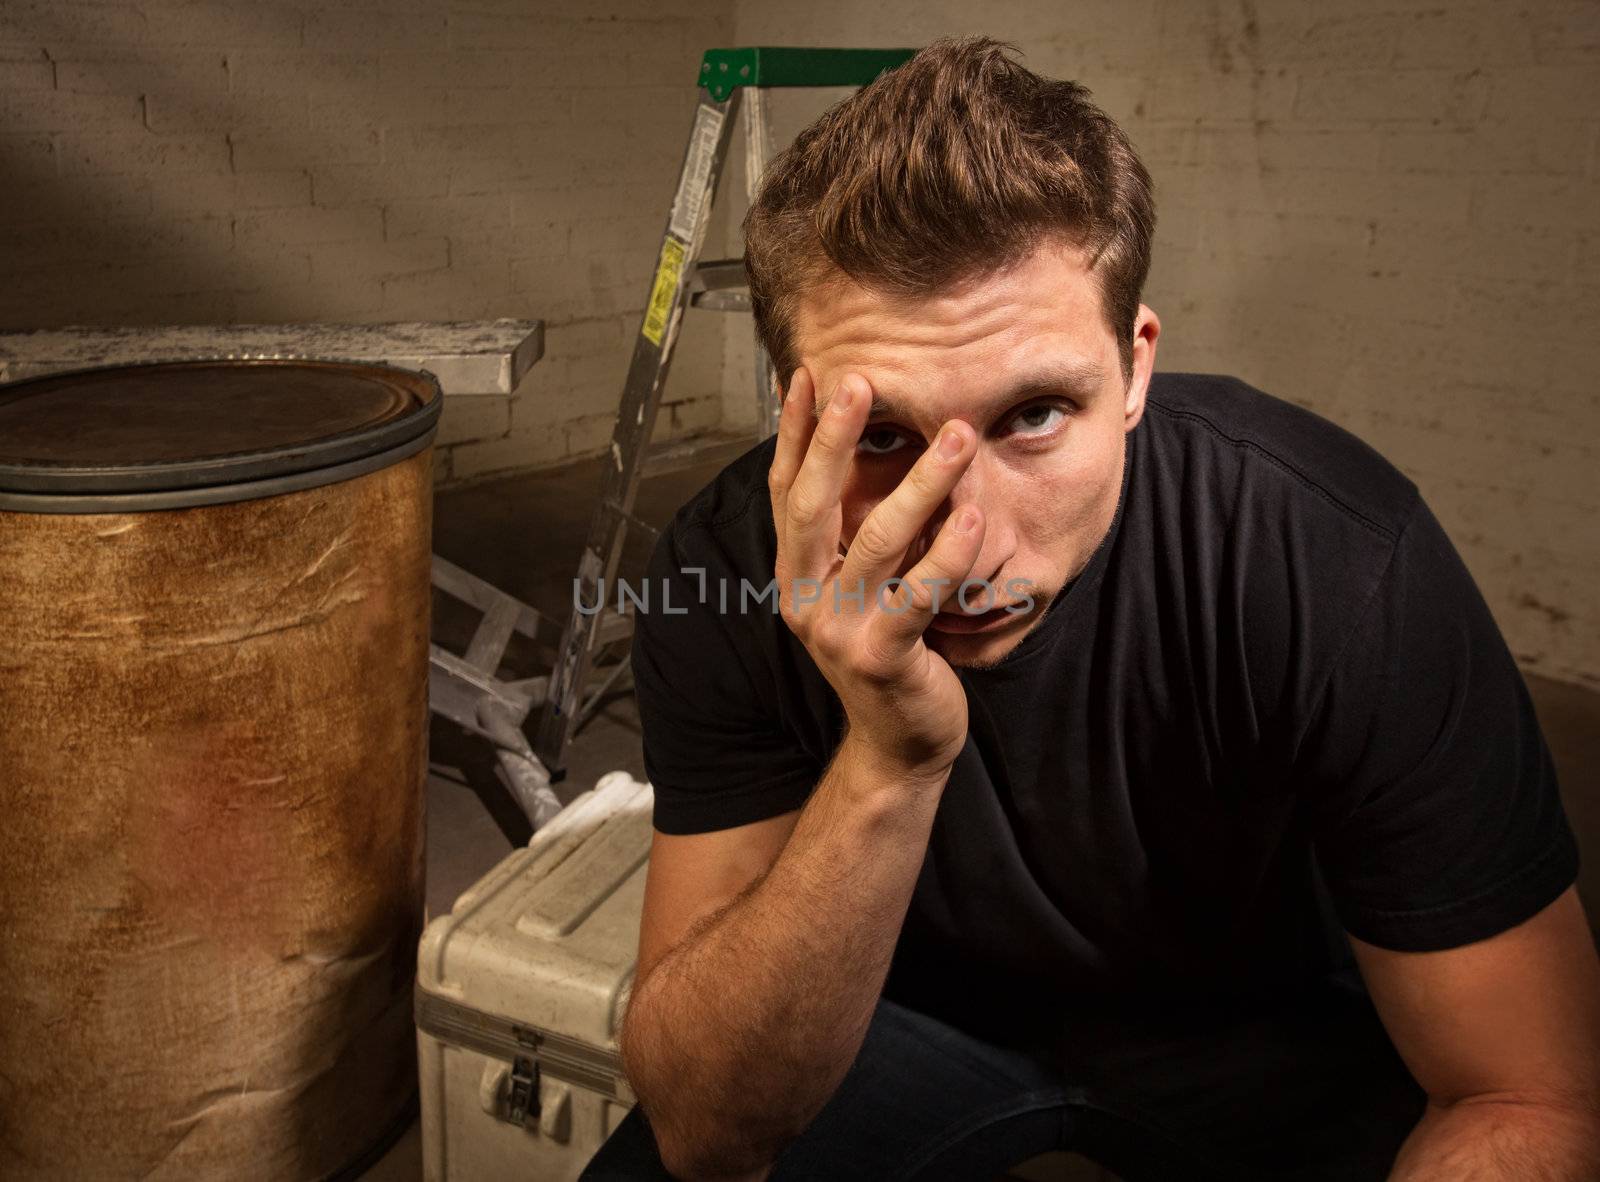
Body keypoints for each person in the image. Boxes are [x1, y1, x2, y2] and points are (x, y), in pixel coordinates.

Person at [581, 37, 1600, 1182]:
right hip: (895, 1010)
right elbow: (706, 1129)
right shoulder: (720, 563)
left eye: (1032, 417)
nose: (962, 542)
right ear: (789, 407)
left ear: (1136, 370)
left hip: (1263, 1030)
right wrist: (889, 759)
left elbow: (1524, 1095)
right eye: (880, 436)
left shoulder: (1330, 553)